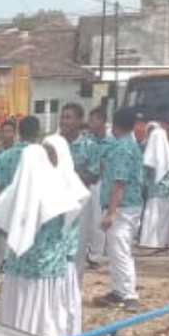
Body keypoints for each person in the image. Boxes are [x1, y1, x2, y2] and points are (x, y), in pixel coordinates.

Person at [0, 137, 88, 336]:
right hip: (46, 268)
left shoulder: (16, 192)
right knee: (45, 312)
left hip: (21, 266)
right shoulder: (56, 191)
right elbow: (67, 224)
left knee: (20, 308)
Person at [100, 108, 145, 311]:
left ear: (114, 125)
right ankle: (118, 289)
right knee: (115, 249)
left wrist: (111, 212)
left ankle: (129, 294)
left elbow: (119, 182)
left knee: (120, 250)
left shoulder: (123, 149)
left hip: (124, 206)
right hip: (127, 205)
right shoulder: (128, 144)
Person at [73, 105, 110, 268]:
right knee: (85, 220)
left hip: (102, 182)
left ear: (102, 121)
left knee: (98, 219)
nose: (91, 123)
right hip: (87, 183)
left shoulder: (111, 142)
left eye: (93, 120)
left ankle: (96, 254)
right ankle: (87, 251)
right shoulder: (88, 142)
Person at [139, 123, 169, 251]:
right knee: (166, 216)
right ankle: (165, 241)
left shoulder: (147, 157)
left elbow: (142, 177)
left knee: (153, 215)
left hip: (154, 191)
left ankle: (152, 241)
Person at [0, 118, 22, 206]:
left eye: (9, 131)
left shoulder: (19, 152)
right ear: (1, 134)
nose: (6, 134)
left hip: (16, 192)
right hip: (1, 191)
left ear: (14, 133)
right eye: (4, 131)